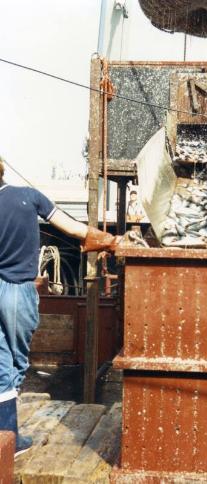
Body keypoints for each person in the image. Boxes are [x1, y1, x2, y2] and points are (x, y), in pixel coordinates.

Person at [0, 155, 120, 456]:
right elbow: (74, 229)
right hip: (17, 291)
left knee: (0, 365)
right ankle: (10, 439)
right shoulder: (28, 197)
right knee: (15, 364)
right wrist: (112, 241)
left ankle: (5, 439)